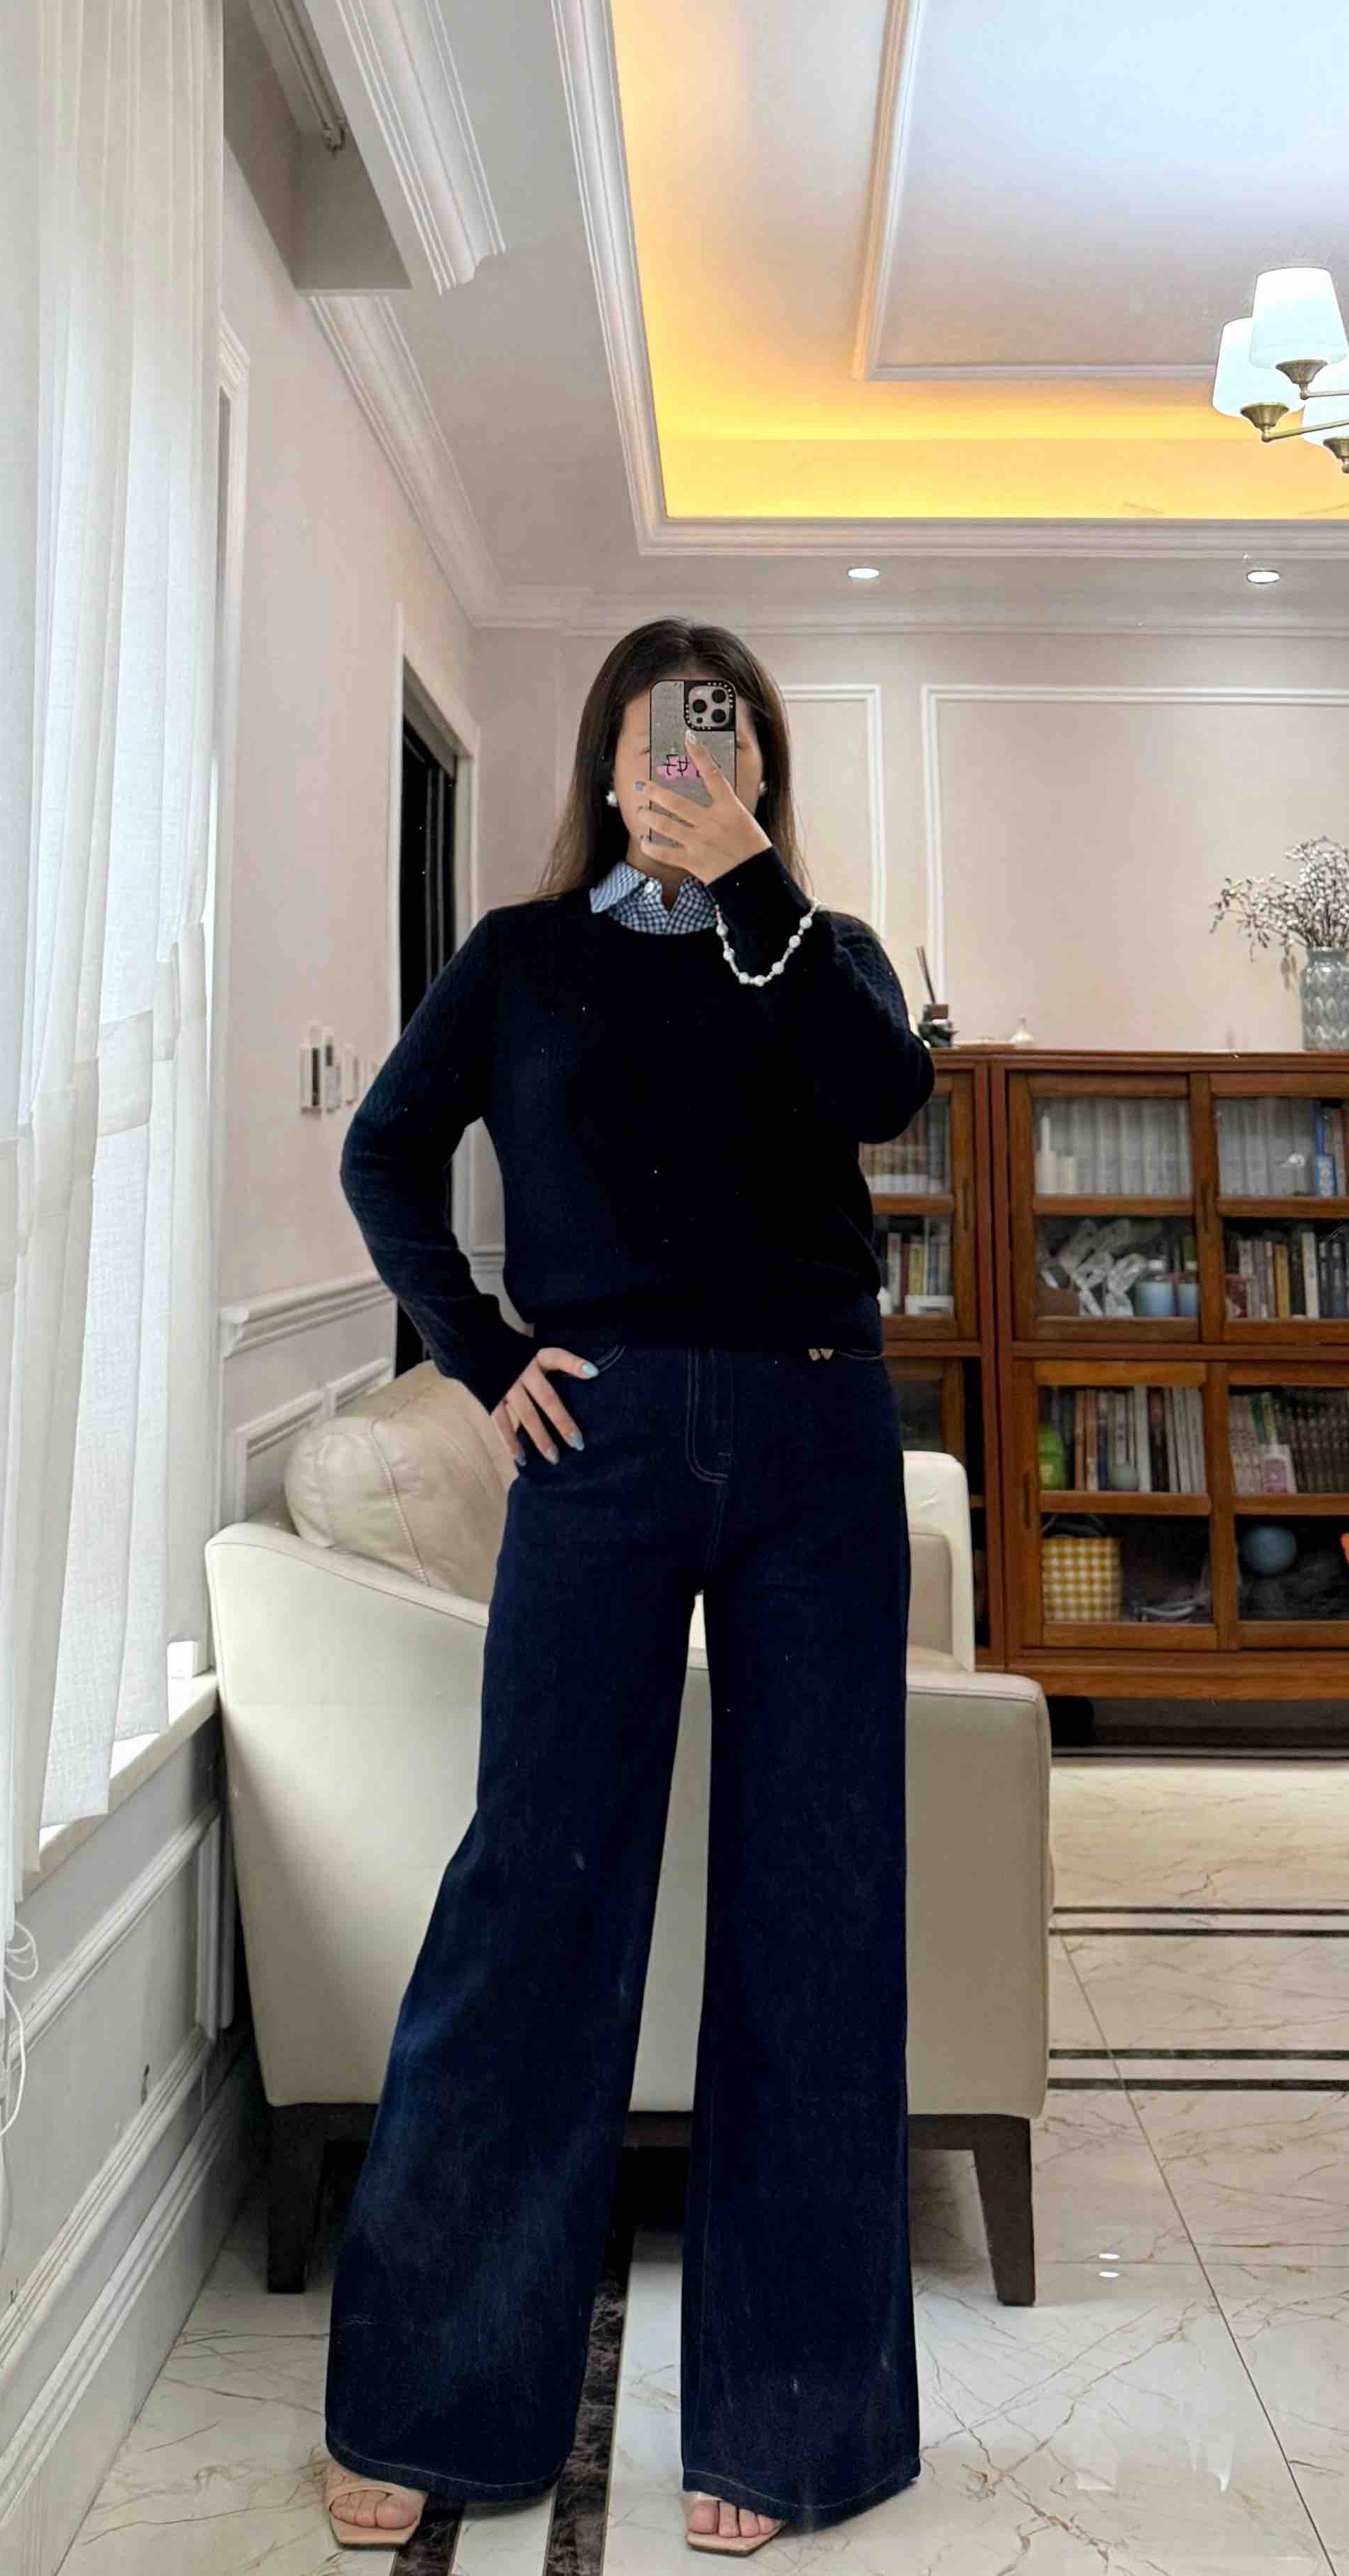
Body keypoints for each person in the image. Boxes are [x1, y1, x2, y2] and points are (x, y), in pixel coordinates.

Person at [320, 618, 936, 2557]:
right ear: (602, 762)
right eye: (663, 738)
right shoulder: (521, 960)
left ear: (762, 771)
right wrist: (481, 1352)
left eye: (725, 740)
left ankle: (793, 2425)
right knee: (534, 1891)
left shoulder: (821, 950)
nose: (692, 763)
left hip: (818, 1439)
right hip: (597, 1444)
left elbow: (881, 1096)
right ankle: (429, 2403)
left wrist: (755, 885)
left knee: (818, 1901)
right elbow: (386, 1154)